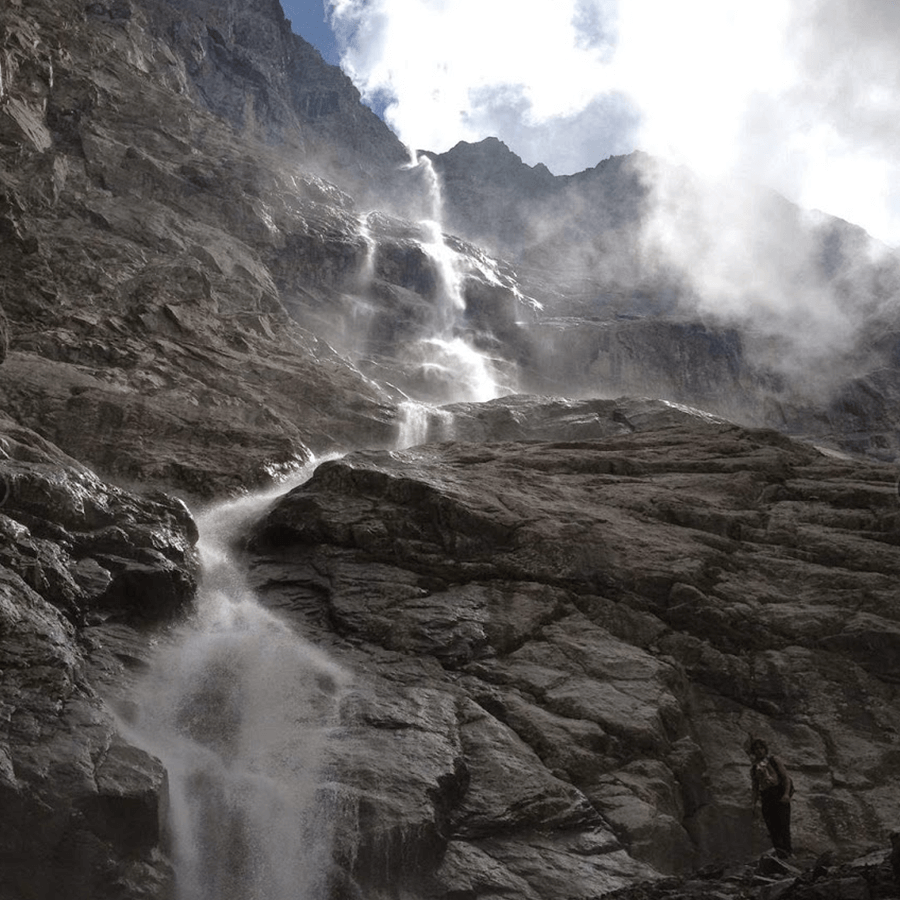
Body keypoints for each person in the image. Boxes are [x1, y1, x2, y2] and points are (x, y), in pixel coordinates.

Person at [750, 737, 794, 858]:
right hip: (766, 796)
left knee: (783, 825)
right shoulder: (754, 768)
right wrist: (753, 804)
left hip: (778, 793)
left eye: (761, 748)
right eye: (756, 749)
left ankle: (788, 853)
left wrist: (786, 794)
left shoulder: (774, 760)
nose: (759, 751)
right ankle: (780, 854)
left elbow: (786, 778)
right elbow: (755, 787)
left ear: (765, 749)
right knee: (772, 827)